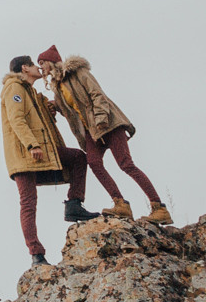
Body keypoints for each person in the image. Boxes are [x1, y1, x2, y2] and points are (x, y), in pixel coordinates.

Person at [35, 44, 171, 226]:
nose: (41, 67)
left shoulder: (78, 73)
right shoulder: (58, 86)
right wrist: (55, 105)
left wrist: (101, 120)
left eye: (42, 63)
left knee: (126, 164)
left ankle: (159, 207)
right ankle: (120, 203)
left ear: (52, 62)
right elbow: (72, 108)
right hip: (92, 130)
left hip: (108, 124)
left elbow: (96, 95)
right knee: (94, 163)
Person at [0, 55, 96, 267]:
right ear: (25, 68)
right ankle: (36, 254)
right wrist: (31, 145)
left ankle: (74, 204)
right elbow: (17, 119)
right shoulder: (14, 88)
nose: (38, 68)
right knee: (28, 203)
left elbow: (37, 118)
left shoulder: (30, 92)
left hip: (42, 151)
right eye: (34, 65)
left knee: (78, 158)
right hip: (24, 154)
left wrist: (49, 107)